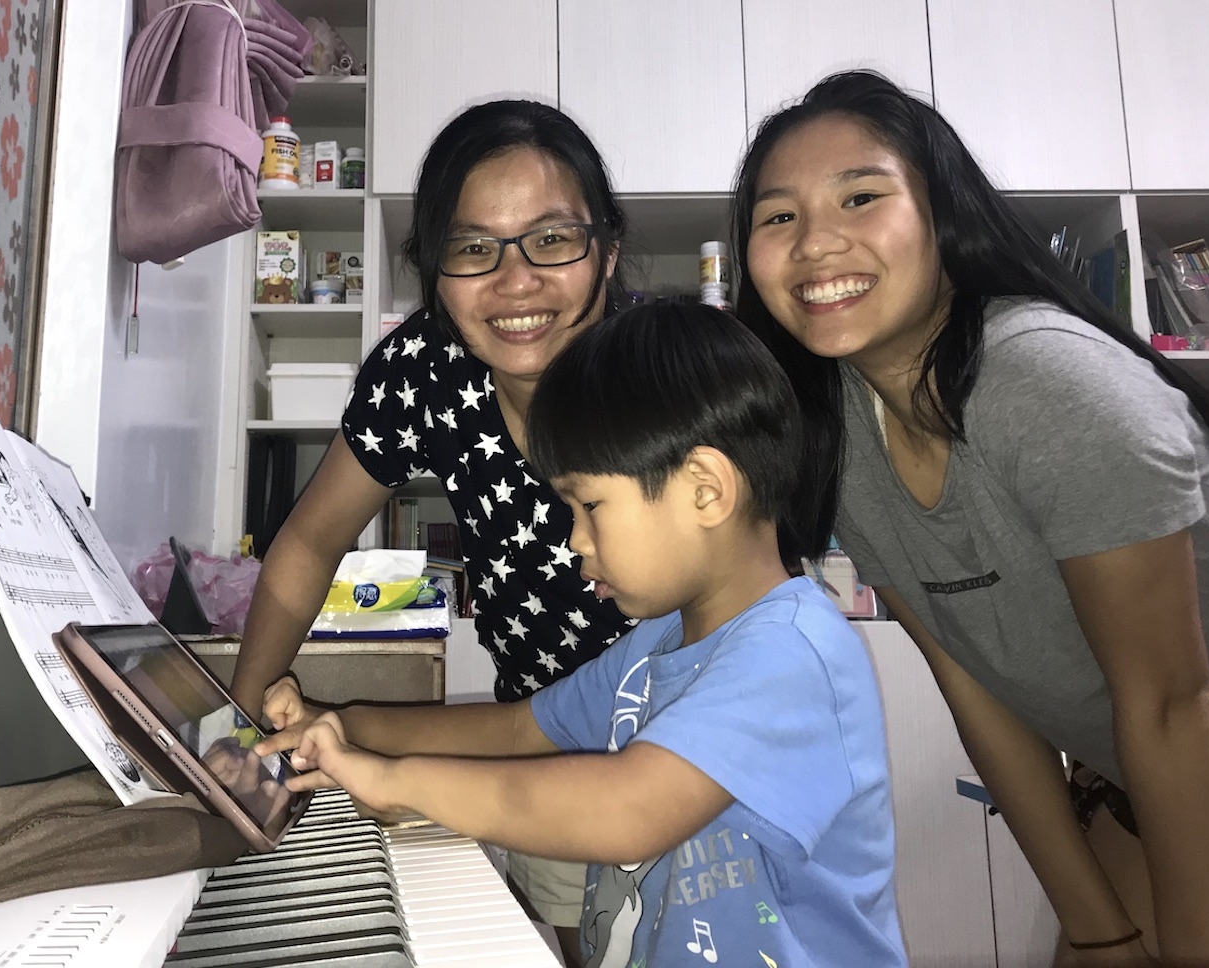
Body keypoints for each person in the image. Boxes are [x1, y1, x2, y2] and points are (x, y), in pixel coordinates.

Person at [731, 70, 1209, 966]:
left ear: (940, 216)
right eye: (776, 216)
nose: (816, 243)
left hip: (1187, 739)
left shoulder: (1043, 381)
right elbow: (971, 680)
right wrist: (1098, 933)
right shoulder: (837, 429)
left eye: (860, 196)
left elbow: (1172, 700)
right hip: (1151, 775)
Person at [255, 303, 906, 968]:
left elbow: (626, 808)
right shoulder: (657, 643)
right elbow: (515, 731)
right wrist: (337, 724)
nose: (572, 540)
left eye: (588, 506)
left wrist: (389, 780)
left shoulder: (792, 652)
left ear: (706, 491)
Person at [231, 99, 636, 961]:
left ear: (607, 248)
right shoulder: (423, 369)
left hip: (700, 723)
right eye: (472, 247)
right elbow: (308, 541)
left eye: (552, 238)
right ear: (434, 269)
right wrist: (242, 732)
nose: (514, 280)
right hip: (534, 737)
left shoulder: (668, 371)